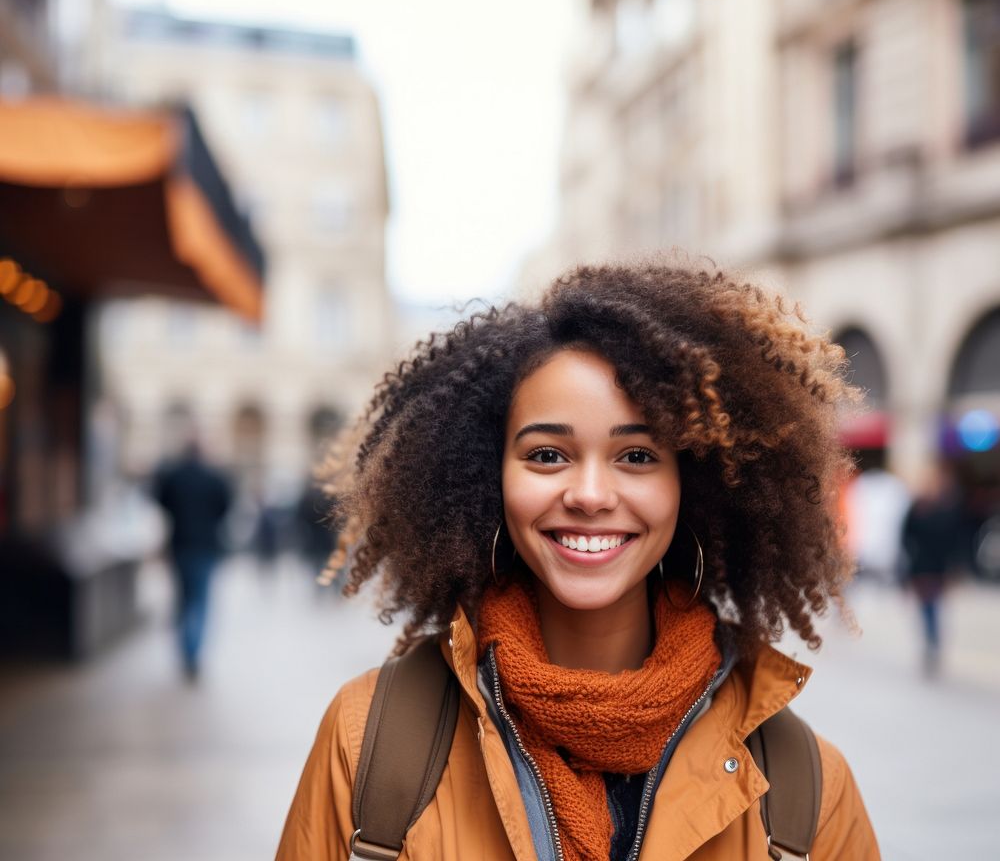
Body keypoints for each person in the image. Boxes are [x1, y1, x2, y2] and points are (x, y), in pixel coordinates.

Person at [276, 259, 880, 860]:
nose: (590, 495)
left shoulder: (806, 795)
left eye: (637, 456)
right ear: (487, 478)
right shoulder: (367, 745)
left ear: (690, 486)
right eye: (547, 455)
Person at [152, 438, 233, 680]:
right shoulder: (213, 478)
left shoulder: (174, 476)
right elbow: (225, 505)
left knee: (183, 600)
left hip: (180, 545)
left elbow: (161, 501)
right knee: (201, 601)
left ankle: (186, 650)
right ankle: (193, 653)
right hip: (205, 546)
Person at [900, 463, 965, 677]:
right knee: (928, 606)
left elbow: (954, 540)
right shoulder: (917, 507)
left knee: (932, 606)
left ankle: (933, 639)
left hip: (938, 568)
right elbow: (905, 536)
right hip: (921, 566)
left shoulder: (947, 509)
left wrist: (953, 566)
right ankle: (932, 639)